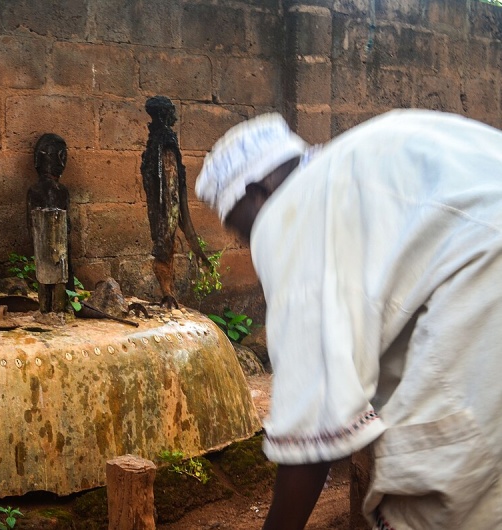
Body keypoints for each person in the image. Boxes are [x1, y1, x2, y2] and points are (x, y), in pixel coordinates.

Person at [195, 110, 502, 529]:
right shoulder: (349, 169)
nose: (244, 240)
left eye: (238, 226)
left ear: (260, 188)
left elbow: (314, 416)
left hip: (487, 287)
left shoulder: (291, 211)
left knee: (438, 490)